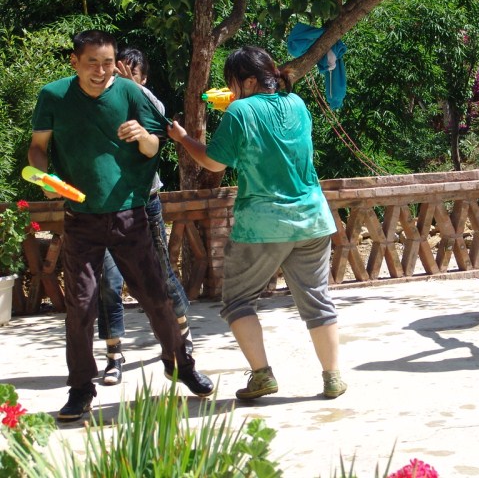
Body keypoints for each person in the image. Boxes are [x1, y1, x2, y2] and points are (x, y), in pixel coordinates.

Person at [28, 30, 214, 422]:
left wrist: (143, 136)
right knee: (81, 305)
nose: (100, 71)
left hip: (131, 213)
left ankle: (181, 365)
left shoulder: (131, 93)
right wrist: (44, 177)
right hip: (81, 217)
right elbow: (38, 147)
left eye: (107, 63)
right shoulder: (54, 96)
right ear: (75, 62)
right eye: (92, 63)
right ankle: (81, 389)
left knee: (156, 297)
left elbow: (154, 147)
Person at [167, 45, 346, 400]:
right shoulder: (297, 103)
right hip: (312, 218)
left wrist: (183, 137)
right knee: (317, 301)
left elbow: (214, 162)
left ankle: (262, 376)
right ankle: (332, 378)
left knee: (238, 301)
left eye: (233, 83)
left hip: (263, 225)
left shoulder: (239, 111)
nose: (231, 91)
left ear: (248, 81)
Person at [97, 47, 193, 386]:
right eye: (118, 74)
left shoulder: (147, 103)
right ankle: (113, 355)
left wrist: (135, 89)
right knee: (108, 282)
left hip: (145, 202)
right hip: (102, 208)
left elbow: (161, 117)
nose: (122, 81)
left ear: (144, 79)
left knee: (162, 274)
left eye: (131, 76)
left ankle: (183, 337)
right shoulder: (100, 103)